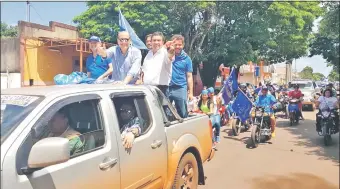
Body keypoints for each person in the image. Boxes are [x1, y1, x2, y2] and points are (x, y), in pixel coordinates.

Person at [168, 34, 194, 118]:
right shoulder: (166, 55)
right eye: (176, 44)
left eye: (180, 44)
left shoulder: (187, 59)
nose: (178, 47)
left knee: (182, 112)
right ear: (172, 44)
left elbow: (189, 76)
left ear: (183, 45)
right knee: (164, 111)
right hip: (167, 87)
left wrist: (191, 93)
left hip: (180, 87)